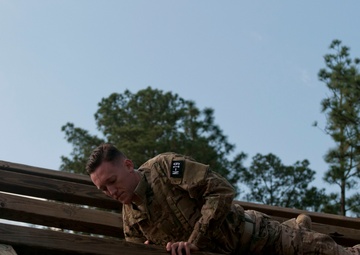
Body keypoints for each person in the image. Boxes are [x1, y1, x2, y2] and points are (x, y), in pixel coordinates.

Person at [86, 143, 360, 255]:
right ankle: (299, 226)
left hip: (257, 237)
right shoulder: (131, 221)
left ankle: (298, 229)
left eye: (111, 182)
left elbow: (221, 190)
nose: (111, 192)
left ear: (128, 165)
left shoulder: (164, 168)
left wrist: (193, 242)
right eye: (103, 190)